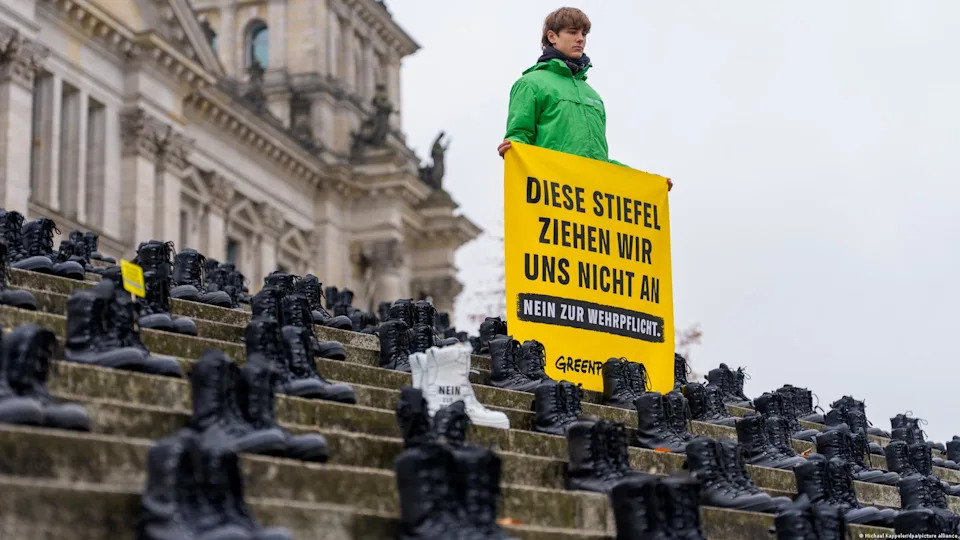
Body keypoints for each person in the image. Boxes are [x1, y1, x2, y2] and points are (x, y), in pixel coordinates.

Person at [499, 7, 672, 190]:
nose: (580, 39)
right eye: (572, 32)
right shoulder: (530, 84)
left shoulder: (593, 96)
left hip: (588, 201)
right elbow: (519, 139)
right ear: (552, 37)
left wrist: (647, 182)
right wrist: (513, 151)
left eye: (584, 33)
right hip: (550, 197)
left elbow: (599, 162)